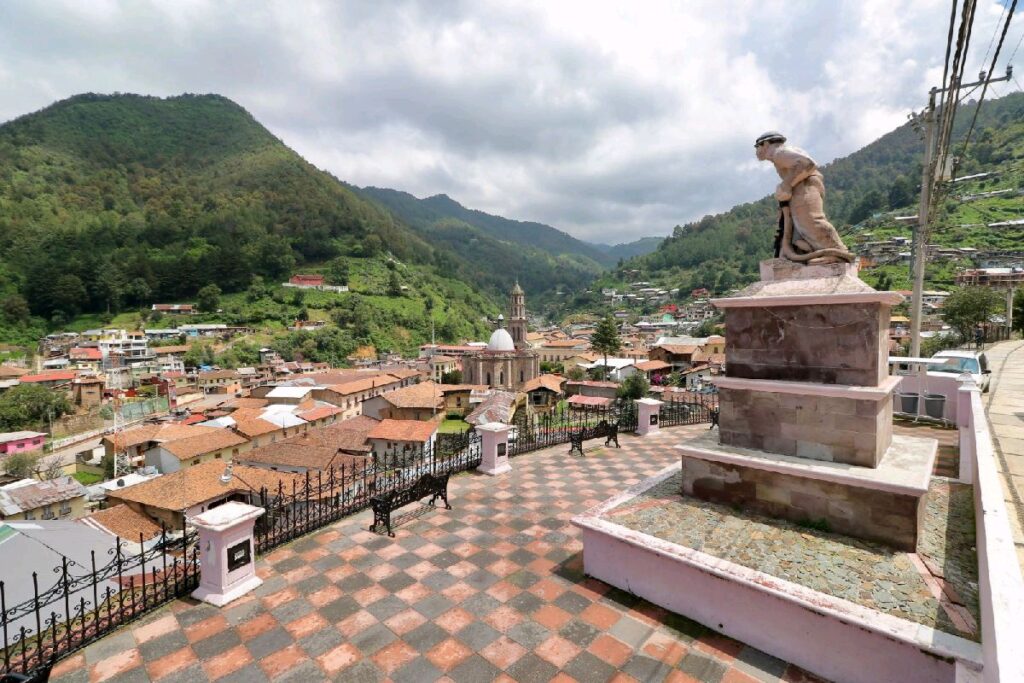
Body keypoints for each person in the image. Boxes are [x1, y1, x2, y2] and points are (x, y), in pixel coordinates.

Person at [755, 131, 853, 263]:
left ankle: (837, 252)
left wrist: (787, 185)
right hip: (801, 187)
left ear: (766, 144)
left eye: (757, 147)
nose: (756, 151)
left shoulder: (779, 153)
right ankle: (803, 255)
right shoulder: (782, 154)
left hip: (806, 185)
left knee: (811, 220)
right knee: (798, 226)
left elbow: (807, 164)